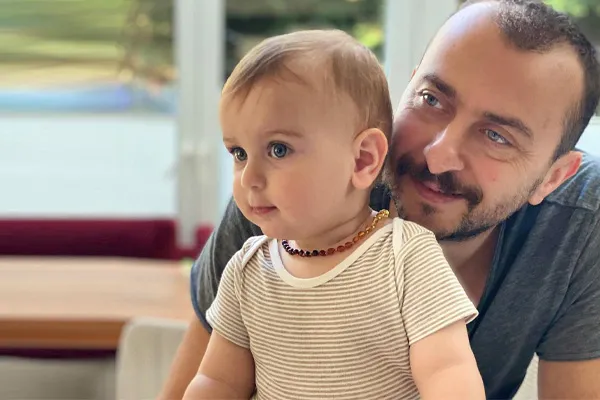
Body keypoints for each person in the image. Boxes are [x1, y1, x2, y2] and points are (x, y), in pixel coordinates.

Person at [159, 0, 600, 399]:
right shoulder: (288, 195)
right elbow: (210, 380)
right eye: (431, 99)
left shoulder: (581, 223)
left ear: (553, 177)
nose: (438, 154)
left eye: (496, 136)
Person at [181, 29, 484, 400]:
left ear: (362, 160)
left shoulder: (405, 257)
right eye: (239, 153)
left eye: (278, 150)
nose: (249, 178)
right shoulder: (245, 271)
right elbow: (218, 382)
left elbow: (447, 372)